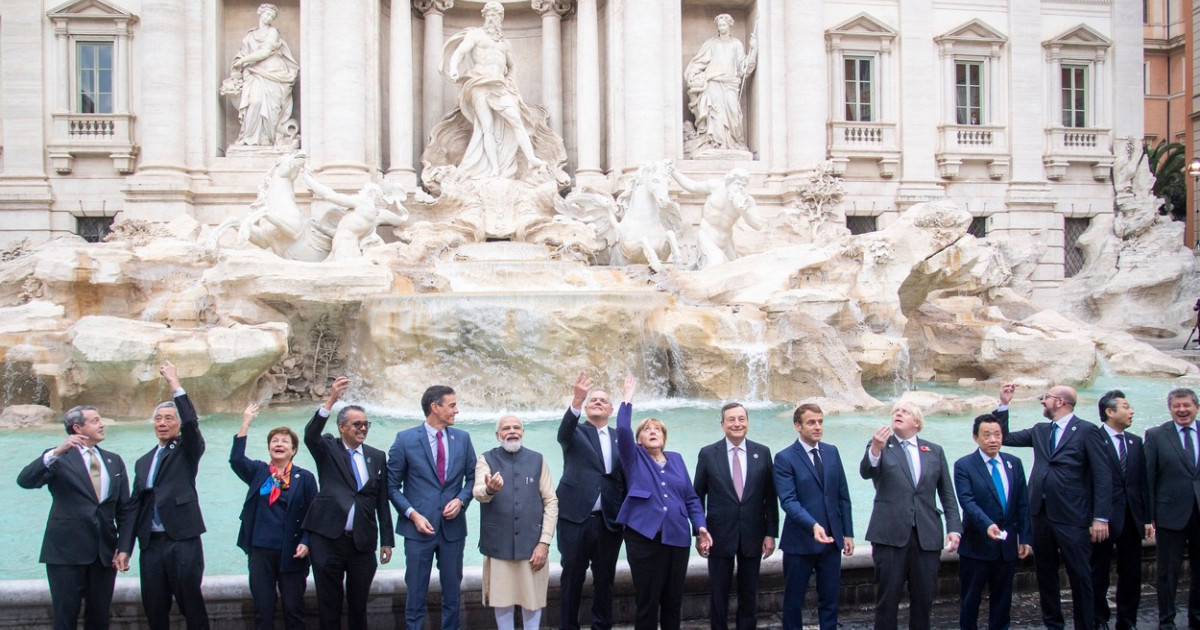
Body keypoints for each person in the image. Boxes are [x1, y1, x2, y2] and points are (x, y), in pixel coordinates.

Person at [995, 383, 1112, 630]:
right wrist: (1004, 404)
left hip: (1073, 516)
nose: (1042, 401)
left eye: (1046, 398)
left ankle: (1085, 625)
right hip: (1040, 514)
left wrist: (1100, 517)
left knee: (1080, 576)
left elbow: (1103, 475)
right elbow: (1003, 438)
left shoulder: (1087, 431)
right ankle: (1053, 625)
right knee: (1045, 576)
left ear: (1060, 402)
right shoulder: (1040, 430)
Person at [17, 405, 134, 630]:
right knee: (64, 619)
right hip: (65, 555)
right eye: (95, 421)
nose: (102, 424)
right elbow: (25, 480)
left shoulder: (114, 460)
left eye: (100, 419)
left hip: (104, 555)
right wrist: (56, 452)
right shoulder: (59, 457)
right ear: (77, 428)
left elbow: (125, 510)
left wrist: (124, 547)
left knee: (99, 619)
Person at [116, 361, 210, 630]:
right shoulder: (143, 461)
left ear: (177, 425)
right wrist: (125, 547)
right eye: (158, 419)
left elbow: (191, 423)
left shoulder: (187, 449)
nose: (162, 423)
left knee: (191, 605)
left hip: (182, 540)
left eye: (169, 419)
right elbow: (134, 506)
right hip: (151, 546)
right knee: (154, 608)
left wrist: (174, 384)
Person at [614, 375, 712, 630]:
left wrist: (700, 527)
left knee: (673, 602)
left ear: (664, 438)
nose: (653, 432)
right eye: (647, 429)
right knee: (647, 602)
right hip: (644, 538)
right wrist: (628, 399)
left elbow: (690, 497)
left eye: (657, 429)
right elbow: (623, 430)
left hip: (677, 538)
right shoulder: (633, 457)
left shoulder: (677, 459)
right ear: (639, 440)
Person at [301, 376, 394, 630]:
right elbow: (310, 435)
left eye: (366, 424)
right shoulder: (328, 449)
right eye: (357, 424)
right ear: (342, 427)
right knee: (328, 606)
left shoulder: (377, 457)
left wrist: (387, 540)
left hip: (362, 544)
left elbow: (382, 501)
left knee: (358, 606)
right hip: (328, 540)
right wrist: (331, 399)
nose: (362, 428)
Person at [860, 399, 962, 630]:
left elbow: (947, 494)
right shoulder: (880, 445)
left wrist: (954, 528)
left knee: (924, 600)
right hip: (890, 535)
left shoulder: (934, 451)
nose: (898, 413)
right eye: (895, 411)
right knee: (888, 600)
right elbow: (866, 471)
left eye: (904, 411)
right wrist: (875, 448)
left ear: (916, 422)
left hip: (927, 537)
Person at [388, 385, 476, 630]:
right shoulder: (404, 439)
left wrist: (460, 500)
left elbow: (472, 479)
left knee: (453, 595)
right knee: (415, 594)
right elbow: (392, 487)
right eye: (452, 405)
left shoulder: (463, 439)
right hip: (417, 530)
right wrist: (413, 515)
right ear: (435, 407)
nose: (457, 410)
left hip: (453, 530)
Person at [229, 402, 318, 630]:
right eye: (274, 441)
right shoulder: (259, 471)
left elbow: (313, 515)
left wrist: (307, 542)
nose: (279, 444)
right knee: (263, 611)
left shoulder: (305, 478)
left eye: (284, 441)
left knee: (293, 610)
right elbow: (236, 460)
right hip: (260, 551)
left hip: (292, 552)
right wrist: (246, 422)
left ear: (293, 450)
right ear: (269, 447)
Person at [693, 402, 778, 630]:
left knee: (749, 592)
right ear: (722, 425)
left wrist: (771, 533)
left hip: (753, 533)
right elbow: (696, 497)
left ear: (748, 422)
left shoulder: (763, 452)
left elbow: (770, 497)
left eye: (741, 419)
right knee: (718, 594)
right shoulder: (708, 454)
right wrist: (699, 532)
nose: (737, 423)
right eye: (731, 419)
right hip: (718, 535)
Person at [440, 1, 548, 180]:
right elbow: (459, 53)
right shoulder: (476, 35)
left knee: (516, 120)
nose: (491, 18)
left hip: (499, 86)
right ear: (484, 16)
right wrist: (453, 68)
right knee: (486, 127)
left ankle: (531, 159)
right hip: (479, 83)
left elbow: (512, 66)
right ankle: (495, 169)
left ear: (501, 18)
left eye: (495, 15)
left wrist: (511, 80)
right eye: (489, 15)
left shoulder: (505, 43)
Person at [472, 415, 558, 630]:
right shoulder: (486, 459)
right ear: (497, 435)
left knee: (533, 601)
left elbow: (551, 501)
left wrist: (544, 543)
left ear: (523, 432)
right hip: (498, 545)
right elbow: (478, 492)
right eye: (506, 428)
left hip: (532, 547)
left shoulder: (538, 459)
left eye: (516, 427)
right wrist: (490, 489)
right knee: (502, 602)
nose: (512, 431)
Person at [773, 403, 853, 630]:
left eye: (820, 422)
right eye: (811, 422)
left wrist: (847, 532)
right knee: (793, 601)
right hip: (800, 542)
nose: (818, 427)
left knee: (830, 599)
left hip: (831, 542)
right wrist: (813, 525)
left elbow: (842, 495)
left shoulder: (832, 451)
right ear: (798, 426)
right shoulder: (784, 458)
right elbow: (788, 501)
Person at [556, 373, 626, 630]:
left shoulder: (621, 437)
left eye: (603, 400)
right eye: (593, 399)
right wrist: (576, 399)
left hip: (609, 520)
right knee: (571, 579)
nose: (598, 402)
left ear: (610, 409)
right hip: (575, 518)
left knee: (605, 580)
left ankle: (601, 627)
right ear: (586, 408)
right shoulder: (575, 433)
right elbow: (563, 433)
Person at [954, 413, 1032, 630]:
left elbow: (1022, 503)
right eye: (987, 435)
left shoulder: (1013, 463)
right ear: (975, 438)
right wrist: (987, 524)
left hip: (1006, 548)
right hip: (976, 547)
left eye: (997, 434)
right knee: (970, 602)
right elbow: (967, 502)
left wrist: (1025, 537)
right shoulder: (964, 465)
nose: (993, 440)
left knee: (1003, 602)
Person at [1091, 390, 1149, 630]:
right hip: (1102, 519)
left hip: (1132, 519)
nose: (1131, 410)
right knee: (1098, 573)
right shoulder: (1093, 439)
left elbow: (1141, 483)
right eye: (1126, 406)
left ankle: (1127, 621)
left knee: (1132, 574)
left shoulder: (1135, 442)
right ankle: (1098, 619)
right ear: (1110, 411)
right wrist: (1093, 518)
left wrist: (1147, 518)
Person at [1145, 387, 1200, 630]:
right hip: (1169, 515)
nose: (1182, 410)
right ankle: (1166, 621)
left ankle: (1196, 618)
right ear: (1170, 409)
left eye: (1187, 405)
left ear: (1196, 407)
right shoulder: (1156, 435)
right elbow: (1148, 478)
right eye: (1177, 406)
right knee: (1167, 573)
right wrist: (1149, 517)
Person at [227, 3, 299, 149]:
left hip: (274, 72)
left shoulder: (273, 32)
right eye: (267, 14)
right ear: (260, 13)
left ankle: (267, 137)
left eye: (272, 16)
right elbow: (243, 52)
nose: (269, 17)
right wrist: (238, 63)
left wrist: (242, 61)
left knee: (272, 107)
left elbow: (265, 52)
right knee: (254, 102)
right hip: (255, 73)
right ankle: (248, 137)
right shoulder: (250, 35)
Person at [684, 14, 757, 154]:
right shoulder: (711, 43)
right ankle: (716, 143)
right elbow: (699, 62)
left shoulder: (736, 44)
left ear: (729, 25)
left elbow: (744, 68)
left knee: (733, 112)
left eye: (724, 25)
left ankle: (733, 142)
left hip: (730, 83)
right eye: (719, 25)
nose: (721, 27)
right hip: (713, 82)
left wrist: (754, 50)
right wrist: (693, 74)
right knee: (715, 114)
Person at [669, 167, 764, 268]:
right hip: (707, 237)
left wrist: (743, 210)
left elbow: (758, 225)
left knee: (734, 271)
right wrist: (674, 172)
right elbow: (692, 186)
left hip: (726, 243)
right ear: (729, 182)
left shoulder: (747, 201)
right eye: (737, 184)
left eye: (743, 185)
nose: (740, 187)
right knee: (717, 264)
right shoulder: (716, 186)